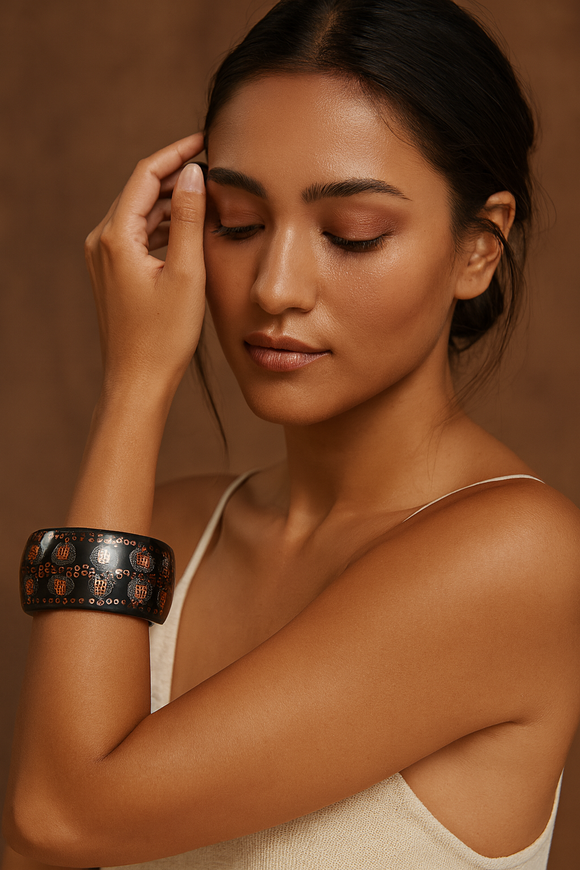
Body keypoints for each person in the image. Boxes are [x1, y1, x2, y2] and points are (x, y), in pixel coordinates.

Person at [3, 0, 580, 868]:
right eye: (237, 221)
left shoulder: (519, 557)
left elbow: (58, 818)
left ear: (478, 249)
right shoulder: (165, 530)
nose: (275, 286)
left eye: (352, 235)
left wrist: (134, 386)